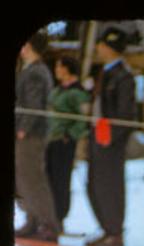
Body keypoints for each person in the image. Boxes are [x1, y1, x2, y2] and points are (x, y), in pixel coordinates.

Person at [85, 26, 137, 246]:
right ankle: (106, 228)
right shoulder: (104, 72)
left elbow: (125, 115)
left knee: (110, 186)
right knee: (94, 184)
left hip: (110, 140)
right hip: (97, 135)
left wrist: (110, 138)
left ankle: (115, 233)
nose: (99, 48)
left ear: (111, 48)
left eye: (103, 45)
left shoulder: (124, 76)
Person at [15, 32, 61, 242]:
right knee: (23, 178)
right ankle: (32, 219)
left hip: (31, 134)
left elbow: (33, 104)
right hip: (26, 132)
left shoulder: (35, 72)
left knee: (33, 178)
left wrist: (23, 128)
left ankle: (48, 224)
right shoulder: (31, 69)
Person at [45, 55, 90, 234]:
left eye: (59, 66)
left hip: (64, 142)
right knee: (49, 178)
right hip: (51, 139)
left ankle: (60, 218)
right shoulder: (57, 91)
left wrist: (70, 135)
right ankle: (49, 217)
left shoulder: (78, 93)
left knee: (61, 180)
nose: (56, 70)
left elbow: (82, 119)